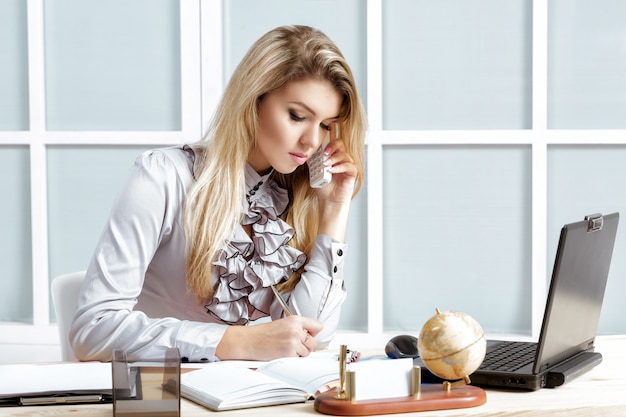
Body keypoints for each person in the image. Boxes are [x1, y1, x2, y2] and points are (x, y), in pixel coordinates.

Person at [69, 25, 367, 362]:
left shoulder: (290, 196)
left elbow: (314, 334)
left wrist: (334, 210)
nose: (313, 141)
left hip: (244, 399)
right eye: (297, 116)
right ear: (253, 102)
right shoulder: (163, 178)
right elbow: (92, 330)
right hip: (158, 400)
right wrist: (236, 342)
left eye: (327, 125)